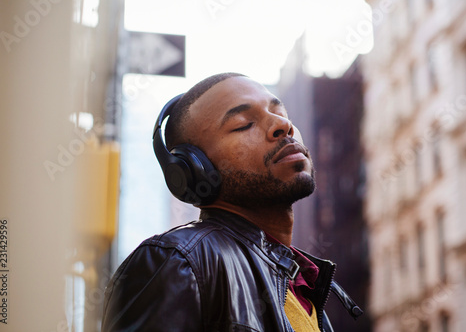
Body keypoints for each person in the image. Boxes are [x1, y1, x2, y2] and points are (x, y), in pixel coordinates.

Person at [101, 73, 362, 332]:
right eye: (243, 124)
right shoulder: (178, 263)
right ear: (195, 169)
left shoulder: (302, 290)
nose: (282, 125)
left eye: (281, 112)